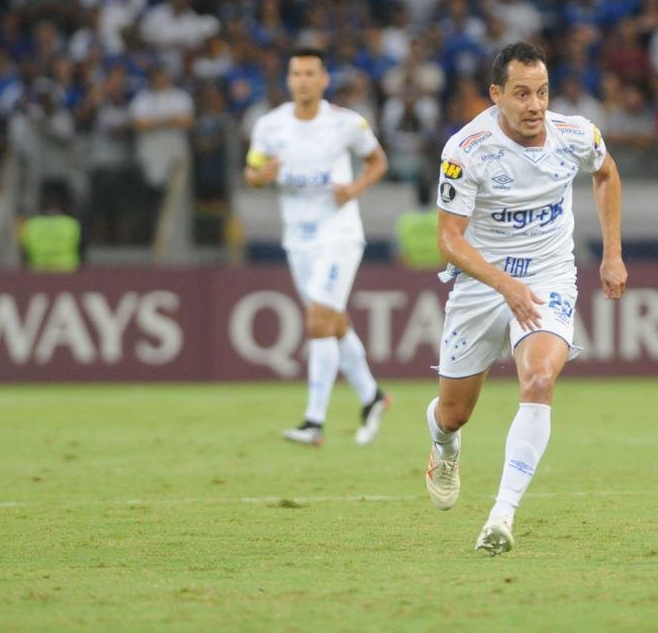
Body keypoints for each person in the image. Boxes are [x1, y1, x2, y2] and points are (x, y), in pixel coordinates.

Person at [424, 41, 627, 555]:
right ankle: (443, 447)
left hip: (548, 278)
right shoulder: (467, 149)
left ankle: (501, 516)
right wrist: (504, 284)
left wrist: (611, 254)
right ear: (496, 95)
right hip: (481, 283)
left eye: (542, 92)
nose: (535, 105)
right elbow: (449, 239)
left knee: (538, 379)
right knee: (454, 412)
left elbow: (606, 173)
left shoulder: (575, 134)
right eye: (521, 94)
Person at [245, 48, 391, 447]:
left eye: (311, 73)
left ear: (324, 79)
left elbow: (378, 161)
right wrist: (262, 176)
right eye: (296, 73)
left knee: (317, 321)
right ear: (289, 80)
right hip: (298, 238)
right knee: (332, 321)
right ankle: (372, 396)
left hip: (338, 233)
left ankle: (314, 421)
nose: (303, 80)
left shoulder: (345, 123)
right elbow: (252, 170)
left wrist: (354, 189)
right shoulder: (270, 126)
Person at [20, 179, 82, 272]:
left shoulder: (32, 224)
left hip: (38, 271)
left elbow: (24, 251)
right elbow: (80, 248)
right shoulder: (71, 224)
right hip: (67, 271)